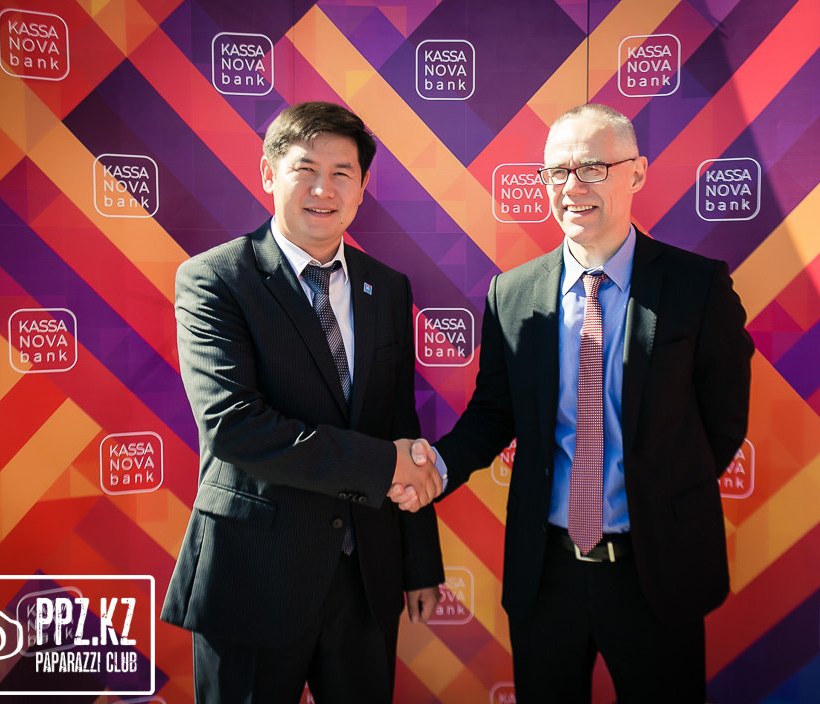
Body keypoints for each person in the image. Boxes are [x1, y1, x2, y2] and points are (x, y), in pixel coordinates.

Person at [394, 103, 754, 702]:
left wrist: (664, 491)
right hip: (547, 574)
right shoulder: (512, 293)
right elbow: (494, 414)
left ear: (636, 173)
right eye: (557, 172)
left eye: (591, 168)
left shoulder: (697, 287)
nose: (572, 187)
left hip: (655, 569)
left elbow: (723, 421)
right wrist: (439, 468)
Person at [162, 101, 445, 704]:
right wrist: (383, 466)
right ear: (269, 173)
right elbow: (234, 427)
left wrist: (419, 562)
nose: (324, 189)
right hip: (254, 576)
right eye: (305, 169)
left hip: (364, 580)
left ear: (362, 188)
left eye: (342, 173)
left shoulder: (386, 287)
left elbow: (400, 424)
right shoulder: (216, 279)